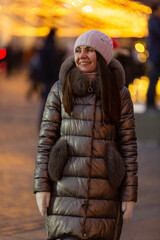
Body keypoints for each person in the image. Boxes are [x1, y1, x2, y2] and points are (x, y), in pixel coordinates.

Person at [34, 30, 138, 240]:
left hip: (105, 193)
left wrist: (129, 194)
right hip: (65, 190)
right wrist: (41, 186)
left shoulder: (120, 95)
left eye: (89, 50)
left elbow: (128, 145)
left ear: (102, 56)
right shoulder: (60, 89)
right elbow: (46, 141)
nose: (82, 55)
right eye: (78, 50)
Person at [146, 3, 160, 110]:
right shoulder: (154, 22)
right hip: (156, 57)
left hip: (155, 56)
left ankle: (150, 103)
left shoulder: (154, 21)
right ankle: (150, 103)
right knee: (153, 80)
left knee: (153, 80)